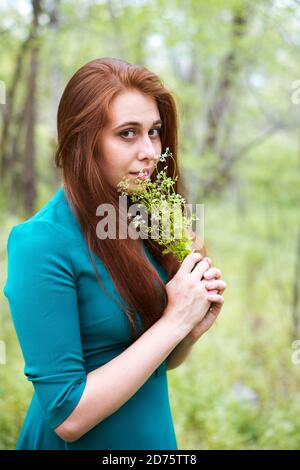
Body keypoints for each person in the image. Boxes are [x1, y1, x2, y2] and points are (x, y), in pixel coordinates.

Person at [3, 57, 226, 450]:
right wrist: (174, 321)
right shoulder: (41, 242)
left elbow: (157, 361)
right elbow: (67, 416)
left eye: (154, 132)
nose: (150, 152)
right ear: (83, 141)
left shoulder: (142, 220)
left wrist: (188, 330)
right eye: (127, 133)